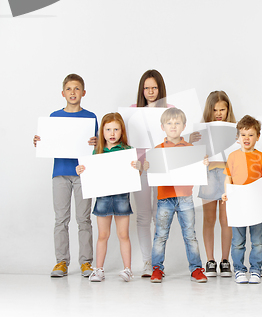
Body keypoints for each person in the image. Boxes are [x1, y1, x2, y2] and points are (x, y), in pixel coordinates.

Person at [33, 74, 97, 277]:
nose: (73, 92)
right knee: (61, 219)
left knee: (84, 219)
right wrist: (40, 141)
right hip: (60, 173)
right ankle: (61, 262)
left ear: (83, 93)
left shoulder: (91, 117)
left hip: (83, 174)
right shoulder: (54, 117)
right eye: (69, 89)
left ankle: (86, 263)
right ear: (63, 93)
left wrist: (97, 144)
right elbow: (49, 142)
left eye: (77, 89)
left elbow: (99, 147)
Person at [76, 113, 142, 282]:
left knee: (123, 235)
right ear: (102, 132)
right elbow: (90, 174)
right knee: (103, 235)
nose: (112, 133)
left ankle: (128, 269)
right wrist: (82, 171)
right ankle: (98, 270)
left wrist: (138, 166)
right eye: (108, 129)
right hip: (103, 198)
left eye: (116, 129)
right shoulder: (96, 151)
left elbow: (137, 172)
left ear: (122, 131)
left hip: (121, 198)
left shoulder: (127, 151)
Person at [150, 108, 208, 283]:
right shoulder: (157, 150)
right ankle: (157, 269)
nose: (173, 126)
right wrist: (147, 165)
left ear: (183, 126)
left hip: (185, 197)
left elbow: (197, 172)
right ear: (162, 127)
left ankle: (196, 269)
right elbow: (151, 170)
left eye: (177, 123)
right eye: (169, 123)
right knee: (160, 235)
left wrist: (203, 163)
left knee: (190, 235)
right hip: (164, 198)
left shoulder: (191, 149)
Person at [222, 115, 262, 284]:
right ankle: (239, 269)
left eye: (251, 134)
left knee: (258, 241)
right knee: (238, 241)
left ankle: (255, 270)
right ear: (238, 137)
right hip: (238, 204)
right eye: (243, 134)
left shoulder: (261, 157)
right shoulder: (232, 157)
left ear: (257, 137)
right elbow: (228, 178)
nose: (246, 138)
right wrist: (226, 193)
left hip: (257, 204)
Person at [132, 69, 174, 277]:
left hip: (162, 168)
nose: (150, 91)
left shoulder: (170, 110)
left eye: (154, 87)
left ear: (160, 89)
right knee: (142, 216)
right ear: (142, 90)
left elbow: (177, 139)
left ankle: (158, 262)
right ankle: (147, 261)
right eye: (146, 88)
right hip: (140, 169)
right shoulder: (132, 111)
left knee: (161, 216)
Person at [197, 91, 236, 277]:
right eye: (215, 110)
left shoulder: (235, 129)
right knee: (209, 219)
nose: (219, 113)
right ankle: (210, 260)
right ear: (209, 111)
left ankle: (225, 260)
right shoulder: (202, 130)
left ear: (228, 110)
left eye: (222, 109)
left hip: (228, 174)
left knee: (226, 219)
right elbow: (195, 154)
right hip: (209, 174)